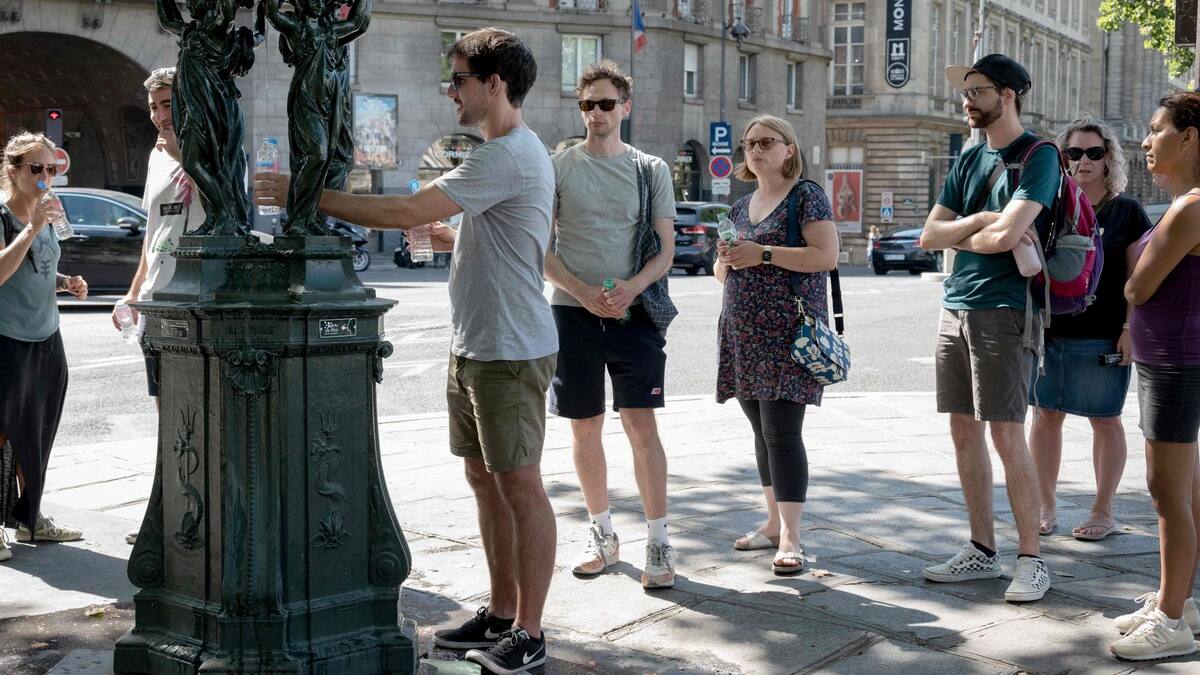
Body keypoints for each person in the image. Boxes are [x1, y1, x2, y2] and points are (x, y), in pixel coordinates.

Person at [254, 27, 557, 674]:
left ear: (492, 83)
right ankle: (501, 612)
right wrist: (457, 242)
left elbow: (401, 210)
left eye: (458, 79)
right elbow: (493, 234)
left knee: (522, 486)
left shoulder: (506, 154)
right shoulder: (496, 153)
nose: (450, 91)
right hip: (476, 342)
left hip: (510, 348)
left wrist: (301, 195)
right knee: (484, 479)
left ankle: (529, 632)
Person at [918, 54, 1059, 602]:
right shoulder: (970, 157)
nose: (967, 100)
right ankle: (982, 549)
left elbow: (1010, 238)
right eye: (965, 91)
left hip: (1005, 309)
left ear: (1009, 94)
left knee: (1005, 431)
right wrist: (978, 222)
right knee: (962, 431)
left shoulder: (1039, 155)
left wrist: (969, 231)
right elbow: (929, 236)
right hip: (955, 304)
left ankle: (1032, 559)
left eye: (977, 91)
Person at [544, 61, 679, 589]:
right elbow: (540, 246)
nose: (595, 113)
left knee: (641, 427)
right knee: (584, 426)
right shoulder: (559, 166)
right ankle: (601, 533)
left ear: (626, 107)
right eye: (586, 105)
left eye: (605, 103)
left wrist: (630, 289)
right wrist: (581, 292)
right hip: (572, 312)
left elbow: (666, 250)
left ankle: (659, 541)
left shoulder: (651, 169)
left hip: (633, 311)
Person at [714, 115, 838, 575]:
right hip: (743, 333)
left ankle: (791, 536)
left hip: (788, 335)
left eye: (766, 142)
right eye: (749, 144)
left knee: (783, 433)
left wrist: (762, 253)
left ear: (789, 149)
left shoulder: (806, 195)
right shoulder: (740, 206)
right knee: (760, 431)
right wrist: (726, 260)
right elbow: (722, 270)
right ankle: (771, 524)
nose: (756, 150)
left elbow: (825, 256)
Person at [1108, 92, 1200, 661]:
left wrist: (1133, 271)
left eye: (1156, 129)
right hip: (1174, 355)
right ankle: (1179, 599)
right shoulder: (1185, 204)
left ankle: (1171, 621)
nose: (1145, 141)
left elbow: (1138, 287)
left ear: (1190, 137)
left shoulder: (1190, 207)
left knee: (1167, 491)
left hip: (1174, 359)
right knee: (1186, 489)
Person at [1029, 117, 1150, 541]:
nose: (1083, 161)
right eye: (1074, 152)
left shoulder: (1127, 211)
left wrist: (1130, 328)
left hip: (1103, 333)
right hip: (1049, 330)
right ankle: (1045, 506)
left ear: (1107, 159)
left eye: (1094, 153)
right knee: (1045, 417)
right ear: (1062, 158)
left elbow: (1137, 279)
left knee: (1105, 420)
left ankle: (1104, 510)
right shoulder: (1047, 207)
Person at [111, 67, 206, 546]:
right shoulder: (154, 157)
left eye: (169, 105)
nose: (161, 116)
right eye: (154, 107)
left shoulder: (211, 147)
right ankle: (171, 512)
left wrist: (187, 156)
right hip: (155, 301)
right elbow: (154, 234)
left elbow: (228, 206)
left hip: (195, 302)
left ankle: (195, 511)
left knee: (198, 416)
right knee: (167, 414)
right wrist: (133, 292)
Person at [0, 132, 88, 562]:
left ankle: (29, 517)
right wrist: (31, 228)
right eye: (36, 169)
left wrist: (65, 282)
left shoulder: (51, 212)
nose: (45, 177)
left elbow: (37, 268)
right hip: (7, 337)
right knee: (3, 432)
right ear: (13, 170)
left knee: (38, 431)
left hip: (47, 336)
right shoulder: (3, 216)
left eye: (52, 169)